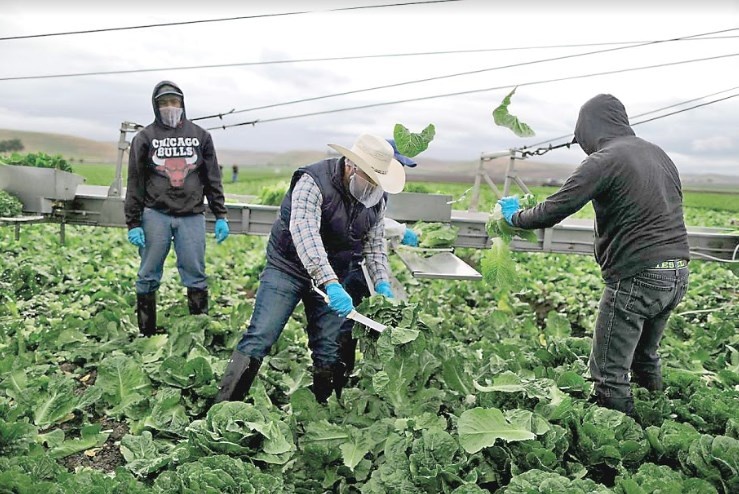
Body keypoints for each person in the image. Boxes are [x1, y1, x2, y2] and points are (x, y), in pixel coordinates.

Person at [498, 94, 690, 415]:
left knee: (608, 375)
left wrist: (514, 217)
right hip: (676, 272)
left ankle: (622, 446)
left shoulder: (605, 160)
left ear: (589, 128)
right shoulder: (658, 155)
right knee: (645, 357)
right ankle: (658, 420)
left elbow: (554, 209)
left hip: (637, 276)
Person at [215, 133, 406, 404]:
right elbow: (305, 234)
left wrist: (382, 283)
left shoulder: (377, 199)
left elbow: (374, 246)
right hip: (289, 267)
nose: (374, 187)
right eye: (370, 179)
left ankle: (320, 413)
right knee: (261, 335)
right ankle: (223, 408)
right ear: (352, 166)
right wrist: (329, 282)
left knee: (328, 348)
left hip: (335, 273)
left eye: (379, 182)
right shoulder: (313, 181)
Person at [124, 80, 230, 336]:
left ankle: (198, 328)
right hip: (155, 215)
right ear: (155, 106)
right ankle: (146, 331)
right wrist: (133, 222)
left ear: (182, 104)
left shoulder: (201, 136)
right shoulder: (144, 138)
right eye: (163, 103)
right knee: (148, 272)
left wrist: (220, 214)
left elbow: (212, 177)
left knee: (195, 271)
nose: (169, 107)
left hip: (192, 215)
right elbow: (135, 181)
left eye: (174, 102)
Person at [336, 138, 419, 392]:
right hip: (351, 262)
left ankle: (355, 372)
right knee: (346, 323)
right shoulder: (361, 182)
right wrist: (401, 230)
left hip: (364, 262)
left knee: (359, 320)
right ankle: (339, 374)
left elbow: (377, 220)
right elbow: (366, 221)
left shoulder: (381, 187)